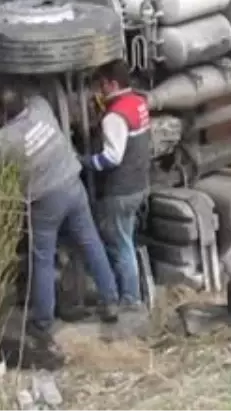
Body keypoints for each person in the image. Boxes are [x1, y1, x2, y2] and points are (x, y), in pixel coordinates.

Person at [0, 77, 122, 340]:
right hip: (73, 184)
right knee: (91, 243)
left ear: (0, 114)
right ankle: (110, 300)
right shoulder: (40, 108)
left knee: (42, 259)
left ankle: (43, 322)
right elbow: (35, 91)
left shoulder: (3, 140)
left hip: (45, 199)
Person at [79, 59, 152, 313]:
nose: (99, 92)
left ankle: (130, 299)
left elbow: (112, 157)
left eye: (101, 86)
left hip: (119, 190)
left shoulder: (114, 116)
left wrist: (84, 162)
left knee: (119, 245)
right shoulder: (139, 103)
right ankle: (135, 293)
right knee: (126, 241)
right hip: (139, 184)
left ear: (112, 84)